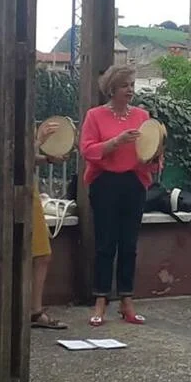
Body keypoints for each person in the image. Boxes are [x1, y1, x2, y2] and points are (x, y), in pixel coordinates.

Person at [79, 65, 162, 327]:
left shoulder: (142, 115)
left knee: (129, 244)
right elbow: (87, 150)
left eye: (132, 85)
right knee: (105, 243)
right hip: (105, 182)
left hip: (134, 182)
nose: (130, 90)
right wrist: (116, 142)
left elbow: (149, 151)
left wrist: (156, 155)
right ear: (112, 88)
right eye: (125, 85)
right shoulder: (95, 115)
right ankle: (101, 299)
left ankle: (127, 299)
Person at [26, 119, 69, 330]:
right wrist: (39, 141)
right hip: (6, 191)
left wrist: (49, 159)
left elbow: (28, 159)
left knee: (42, 254)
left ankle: (35, 311)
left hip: (29, 189)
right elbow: (12, 159)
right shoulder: (3, 117)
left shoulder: (26, 118)